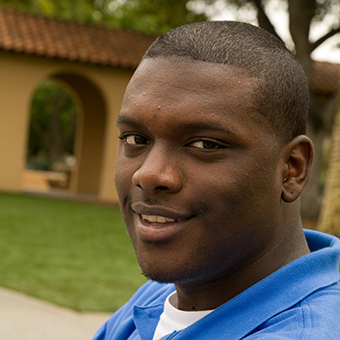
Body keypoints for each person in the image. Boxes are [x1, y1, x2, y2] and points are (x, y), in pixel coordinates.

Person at [92, 21, 340, 340]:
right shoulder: (161, 297)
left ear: (292, 169)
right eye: (135, 138)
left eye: (205, 144)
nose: (149, 174)